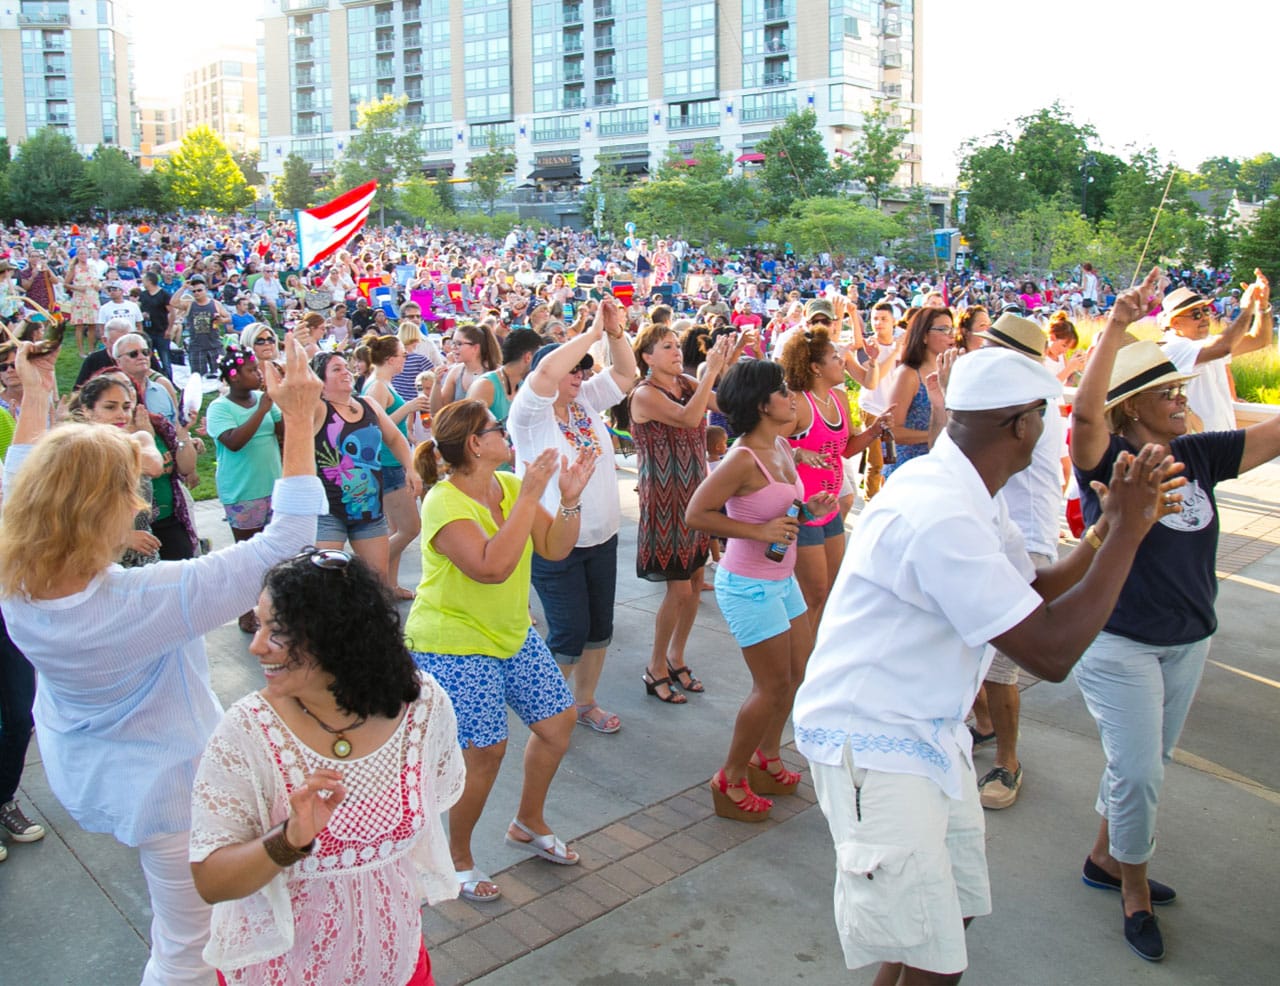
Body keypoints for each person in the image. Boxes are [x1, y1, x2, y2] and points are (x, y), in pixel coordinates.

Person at [793, 343, 1185, 985]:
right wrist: (1132, 533)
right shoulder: (940, 509)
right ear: (1024, 424)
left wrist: (1106, 530)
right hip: (876, 743)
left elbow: (1030, 587)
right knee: (936, 955)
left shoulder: (966, 487)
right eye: (1048, 417)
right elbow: (1051, 652)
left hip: (924, 736)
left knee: (946, 919)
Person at [0, 337, 325, 985]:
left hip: (93, 770)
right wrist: (295, 419)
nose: (139, 499)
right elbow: (288, 541)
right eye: (129, 490)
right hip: (171, 793)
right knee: (187, 951)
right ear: (102, 511)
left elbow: (18, 469)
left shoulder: (15, 573)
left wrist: (36, 398)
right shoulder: (140, 601)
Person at [1069, 269, 1277, 962]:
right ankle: (1132, 888)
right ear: (1131, 410)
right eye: (1167, 391)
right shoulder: (1109, 461)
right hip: (1120, 642)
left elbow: (1273, 438)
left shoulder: (1196, 453)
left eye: (1181, 387)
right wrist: (1120, 327)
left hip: (1190, 639)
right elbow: (1086, 415)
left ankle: (1104, 857)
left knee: (1145, 763)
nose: (1181, 396)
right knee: (1140, 773)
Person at [188, 550, 463, 986]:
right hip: (283, 973)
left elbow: (430, 811)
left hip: (397, 962)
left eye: (276, 632)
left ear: (335, 638)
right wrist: (289, 840)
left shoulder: (423, 708)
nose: (256, 646)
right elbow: (211, 882)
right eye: (257, 626)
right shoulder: (246, 732)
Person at [405, 400, 595, 903]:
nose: (504, 432)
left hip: (510, 633)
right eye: (495, 427)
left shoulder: (509, 487)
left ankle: (527, 823)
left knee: (558, 724)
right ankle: (459, 858)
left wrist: (569, 500)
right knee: (485, 751)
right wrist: (531, 494)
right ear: (474, 443)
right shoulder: (443, 502)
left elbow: (554, 548)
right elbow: (490, 566)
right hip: (454, 641)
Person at [686, 360, 837, 822]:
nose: (791, 397)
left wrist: (805, 510)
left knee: (793, 675)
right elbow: (697, 514)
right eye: (782, 391)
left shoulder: (781, 447)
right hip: (747, 585)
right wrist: (758, 532)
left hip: (780, 580)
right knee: (770, 686)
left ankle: (766, 757)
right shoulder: (741, 459)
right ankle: (730, 777)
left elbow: (779, 510)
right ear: (760, 404)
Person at [508, 298, 637, 736]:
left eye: (585, 369)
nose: (582, 376)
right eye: (574, 369)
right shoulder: (529, 416)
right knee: (568, 631)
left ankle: (583, 703)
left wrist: (615, 332)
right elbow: (545, 373)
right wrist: (591, 331)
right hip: (553, 538)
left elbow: (625, 375)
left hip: (602, 534)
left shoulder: (584, 401)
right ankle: (545, 712)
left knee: (600, 627)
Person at [966, 313, 1065, 810]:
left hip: (1025, 539)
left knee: (1003, 665)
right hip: (1002, 532)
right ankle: (984, 727)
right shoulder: (1012, 401)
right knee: (977, 651)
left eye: (991, 349)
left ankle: (1009, 760)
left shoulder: (1029, 409)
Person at [629, 323, 732, 703]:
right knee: (678, 588)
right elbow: (691, 418)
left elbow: (722, 404)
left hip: (695, 495)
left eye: (677, 345)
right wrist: (711, 372)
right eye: (667, 346)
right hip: (666, 502)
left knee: (694, 584)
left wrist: (724, 363)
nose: (676, 351)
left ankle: (677, 656)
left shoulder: (687, 385)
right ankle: (655, 665)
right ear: (647, 357)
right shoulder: (644, 394)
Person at [780, 327, 890, 630]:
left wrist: (874, 430)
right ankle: (799, 662)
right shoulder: (798, 403)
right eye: (834, 357)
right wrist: (798, 452)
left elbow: (846, 448)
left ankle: (815, 656)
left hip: (829, 509)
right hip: (802, 510)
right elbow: (766, 447)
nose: (843, 360)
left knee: (830, 591)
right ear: (815, 367)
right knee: (811, 595)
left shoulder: (839, 398)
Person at [310, 351, 422, 583]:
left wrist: (410, 468)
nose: (345, 372)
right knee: (326, 581)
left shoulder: (368, 404)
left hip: (369, 509)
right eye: (336, 369)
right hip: (328, 511)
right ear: (320, 382)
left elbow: (395, 438)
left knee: (376, 579)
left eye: (345, 367)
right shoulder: (318, 410)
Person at [206, 345, 284, 632]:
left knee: (274, 553)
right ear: (234, 376)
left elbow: (282, 431)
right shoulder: (220, 408)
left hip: (272, 486)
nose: (258, 375)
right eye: (251, 370)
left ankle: (273, 607)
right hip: (243, 491)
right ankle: (244, 611)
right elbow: (234, 441)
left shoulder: (266, 401)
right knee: (248, 556)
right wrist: (262, 409)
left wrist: (283, 403)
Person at [68, 374, 165, 568]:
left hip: (144, 557)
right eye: (110, 407)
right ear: (87, 410)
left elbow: (154, 466)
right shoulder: (73, 452)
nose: (121, 414)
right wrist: (122, 538)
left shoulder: (140, 438)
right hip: (98, 558)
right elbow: (69, 517)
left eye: (126, 407)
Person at [361, 335, 430, 597]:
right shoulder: (378, 385)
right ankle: (368, 575)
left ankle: (389, 585)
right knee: (411, 527)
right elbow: (376, 425)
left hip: (389, 463)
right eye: (402, 354)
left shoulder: (382, 383)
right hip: (387, 464)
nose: (405, 358)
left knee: (395, 529)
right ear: (390, 359)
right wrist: (410, 406)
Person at [1159, 278, 1272, 432]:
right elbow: (1224, 347)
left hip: (1221, 439)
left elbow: (1259, 340)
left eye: (1205, 311)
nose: (1205, 317)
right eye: (1196, 314)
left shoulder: (1209, 344)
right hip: (1199, 444)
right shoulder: (1173, 348)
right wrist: (1246, 309)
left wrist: (1262, 306)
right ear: (1175, 323)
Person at [884, 306, 954, 480]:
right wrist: (935, 436)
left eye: (952, 328)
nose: (951, 335)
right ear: (923, 335)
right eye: (944, 329)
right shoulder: (908, 374)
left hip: (940, 467)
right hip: (910, 469)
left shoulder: (950, 371)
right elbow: (892, 431)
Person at [64, 252, 101, 357]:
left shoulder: (92, 267)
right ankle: (81, 351)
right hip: (80, 299)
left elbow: (97, 280)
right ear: (78, 256)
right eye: (81, 254)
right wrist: (77, 288)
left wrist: (98, 286)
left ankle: (91, 350)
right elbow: (65, 283)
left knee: (92, 324)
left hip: (92, 297)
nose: (83, 256)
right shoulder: (74, 268)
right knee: (79, 325)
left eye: (85, 254)